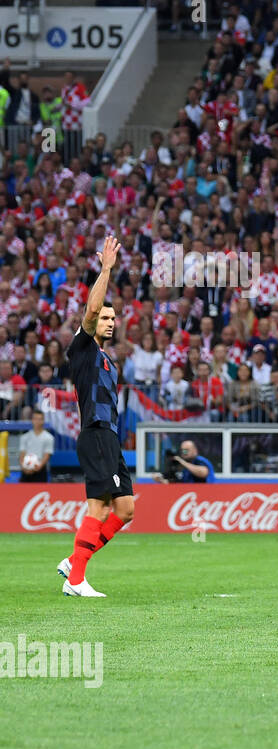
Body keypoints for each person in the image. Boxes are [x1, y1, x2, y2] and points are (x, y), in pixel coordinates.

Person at [57, 236, 133, 598]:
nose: (109, 321)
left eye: (113, 317)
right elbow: (89, 311)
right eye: (104, 316)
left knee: (126, 508)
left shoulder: (108, 361)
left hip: (110, 437)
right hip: (95, 433)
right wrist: (106, 269)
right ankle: (76, 579)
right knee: (99, 507)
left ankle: (75, 560)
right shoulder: (83, 349)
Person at [17, 409, 54, 482]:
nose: (37, 421)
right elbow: (22, 453)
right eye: (35, 419)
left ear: (43, 421)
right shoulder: (25, 437)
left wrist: (39, 467)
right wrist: (23, 467)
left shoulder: (49, 437)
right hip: (26, 469)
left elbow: (47, 455)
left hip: (40, 470)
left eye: (40, 419)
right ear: (32, 420)